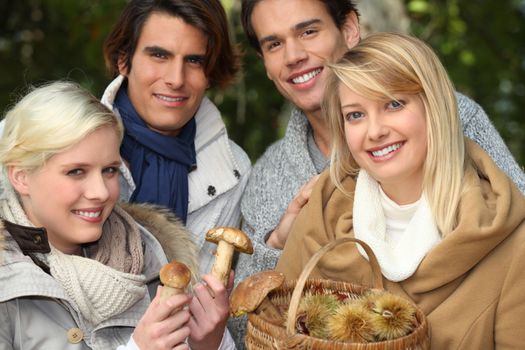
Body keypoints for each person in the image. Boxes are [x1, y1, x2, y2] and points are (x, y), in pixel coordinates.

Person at [235, 0, 525, 298]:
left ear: (348, 29)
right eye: (273, 45)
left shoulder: (455, 117)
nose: (293, 56)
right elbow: (245, 326)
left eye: (309, 31)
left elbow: (517, 225)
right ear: (265, 63)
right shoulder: (267, 176)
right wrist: (278, 242)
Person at [275, 32, 525, 349]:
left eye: (394, 104)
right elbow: (274, 329)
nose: (375, 131)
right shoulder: (323, 210)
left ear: (434, 107)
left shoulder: (512, 241)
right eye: (355, 115)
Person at [0, 81, 205, 349]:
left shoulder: (150, 258)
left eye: (109, 170)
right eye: (76, 171)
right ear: (21, 177)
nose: (100, 192)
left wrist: (207, 343)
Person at [101, 0, 251, 278]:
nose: (176, 78)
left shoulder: (234, 169)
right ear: (124, 60)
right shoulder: (58, 137)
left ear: (210, 73)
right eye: (159, 55)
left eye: (194, 60)